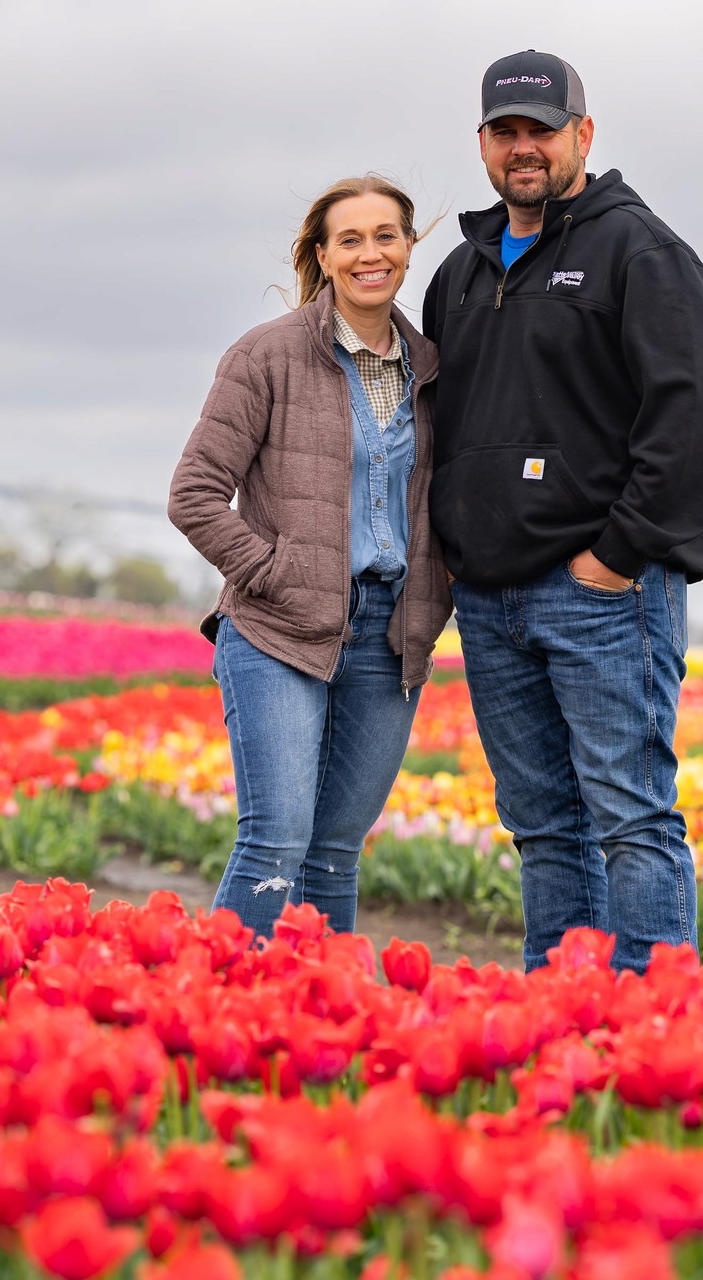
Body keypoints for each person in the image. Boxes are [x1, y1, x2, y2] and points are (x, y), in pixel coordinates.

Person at [423, 51, 703, 973]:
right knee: (540, 823)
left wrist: (619, 554)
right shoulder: (463, 272)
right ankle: (559, 1007)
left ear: (583, 135)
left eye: (542, 130)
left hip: (600, 592)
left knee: (630, 813)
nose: (524, 149)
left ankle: (651, 1020)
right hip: (491, 596)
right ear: (482, 143)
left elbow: (696, 413)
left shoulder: (639, 252)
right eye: (504, 131)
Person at [168, 176, 453, 938]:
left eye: (386, 236)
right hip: (277, 633)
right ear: (323, 256)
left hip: (390, 639)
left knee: (333, 854)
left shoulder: (433, 371)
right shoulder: (267, 356)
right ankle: (222, 1012)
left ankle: (317, 1025)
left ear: (409, 247)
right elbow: (194, 493)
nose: (371, 254)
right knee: (276, 839)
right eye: (351, 239)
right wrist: (277, 574)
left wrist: (439, 593)